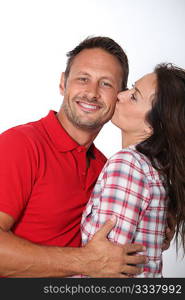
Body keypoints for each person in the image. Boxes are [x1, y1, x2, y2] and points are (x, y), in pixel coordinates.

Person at [0, 36, 173, 278]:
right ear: (63, 83)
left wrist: (154, 221)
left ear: (119, 96)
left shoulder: (109, 168)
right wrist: (85, 262)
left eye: (106, 84)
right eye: (83, 79)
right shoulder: (20, 144)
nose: (91, 93)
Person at [81, 63, 185, 277]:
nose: (120, 95)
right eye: (130, 88)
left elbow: (103, 267)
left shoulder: (127, 164)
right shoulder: (155, 171)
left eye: (134, 96)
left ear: (152, 126)